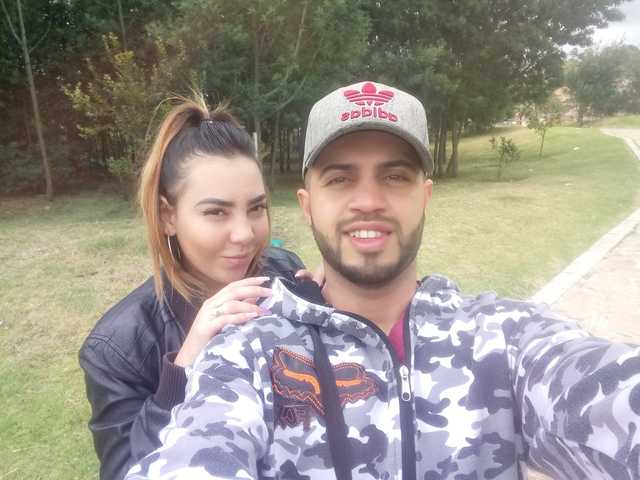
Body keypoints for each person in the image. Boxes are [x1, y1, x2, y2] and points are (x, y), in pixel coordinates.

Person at [125, 82, 640, 480]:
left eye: (395, 176)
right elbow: (196, 450)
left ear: (426, 197)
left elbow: (606, 394)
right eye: (339, 178)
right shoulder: (249, 353)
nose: (368, 201)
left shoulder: (503, 338)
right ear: (307, 205)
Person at [79, 94, 316, 480]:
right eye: (216, 212)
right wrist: (184, 366)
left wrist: (325, 303)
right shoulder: (120, 347)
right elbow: (126, 470)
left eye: (256, 208)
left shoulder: (284, 272)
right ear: (167, 216)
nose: (245, 234)